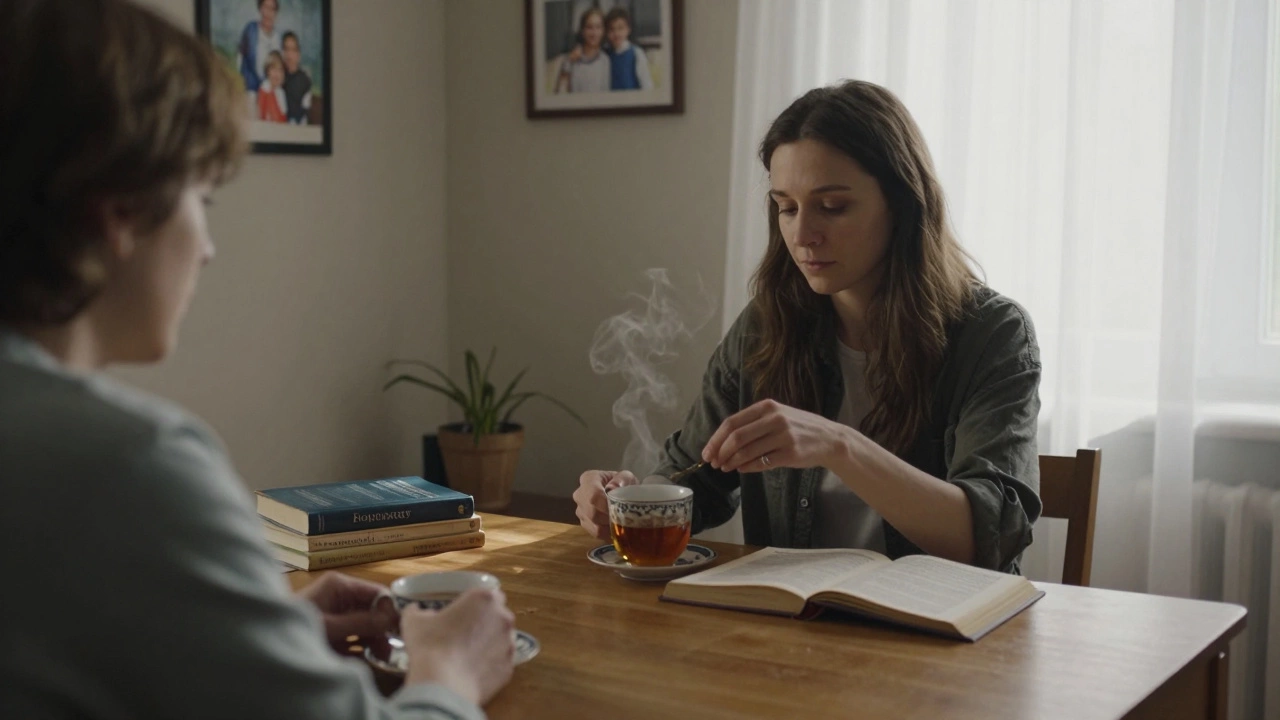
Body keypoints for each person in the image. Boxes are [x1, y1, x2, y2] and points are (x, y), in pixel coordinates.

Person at [0, 2, 514, 719]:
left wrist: (270, 636)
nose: (207, 247)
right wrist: (451, 672)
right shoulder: (130, 469)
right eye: (202, 198)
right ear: (117, 213)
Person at [573, 80, 1043, 573]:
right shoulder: (766, 327)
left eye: (833, 207)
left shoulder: (993, 335)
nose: (802, 235)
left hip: (939, 636)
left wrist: (839, 445)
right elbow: (699, 481)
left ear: (903, 203)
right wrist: (630, 500)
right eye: (786, 207)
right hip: (795, 630)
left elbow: (991, 536)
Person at [555, 7, 610, 94]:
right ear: (582, 30)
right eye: (589, 27)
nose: (594, 32)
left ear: (603, 31)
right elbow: (560, 93)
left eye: (598, 27)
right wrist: (568, 62)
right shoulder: (570, 60)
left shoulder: (605, 60)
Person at [236, 0, 281, 96]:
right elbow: (240, 58)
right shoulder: (250, 29)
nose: (268, 13)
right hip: (250, 90)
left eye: (272, 9)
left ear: (276, 12)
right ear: (260, 9)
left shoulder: (278, 38)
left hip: (270, 93)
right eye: (265, 7)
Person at [603, 7, 653, 91]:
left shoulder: (636, 53)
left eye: (620, 28)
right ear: (606, 32)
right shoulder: (605, 53)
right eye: (612, 29)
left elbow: (647, 84)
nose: (616, 33)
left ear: (628, 29)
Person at [281, 30, 313, 125]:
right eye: (286, 49)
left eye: (293, 50)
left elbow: (305, 113)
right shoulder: (278, 77)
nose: (289, 55)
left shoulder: (304, 81)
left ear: (298, 54)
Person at [258, 50, 288, 123]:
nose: (277, 74)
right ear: (268, 71)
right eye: (274, 69)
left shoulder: (281, 92)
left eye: (280, 70)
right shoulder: (264, 91)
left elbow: (283, 119)